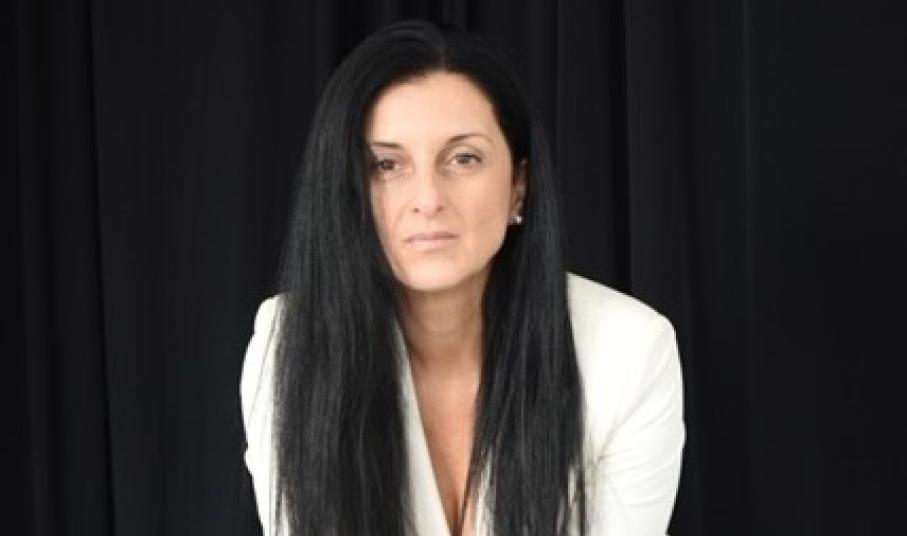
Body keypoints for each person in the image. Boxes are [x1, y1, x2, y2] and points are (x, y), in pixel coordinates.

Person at [240, 20, 685, 536]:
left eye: (463, 158)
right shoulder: (288, 342)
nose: (428, 199)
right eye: (386, 164)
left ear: (519, 185)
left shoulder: (629, 349)